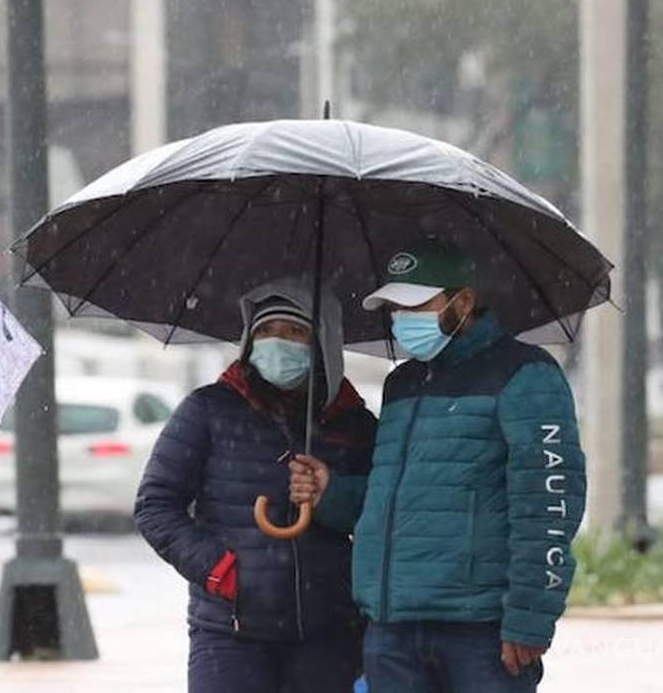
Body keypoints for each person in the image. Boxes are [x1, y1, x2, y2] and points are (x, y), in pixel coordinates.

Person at [289, 244, 587, 693]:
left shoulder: (525, 375)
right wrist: (330, 492)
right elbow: (397, 502)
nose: (401, 318)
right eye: (394, 307)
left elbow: (548, 508)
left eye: (415, 305)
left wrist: (529, 615)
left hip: (479, 634)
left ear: (462, 302)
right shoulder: (402, 384)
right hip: (393, 633)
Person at [135, 280, 377, 693]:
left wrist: (330, 493)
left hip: (330, 634)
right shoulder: (208, 409)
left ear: (321, 345)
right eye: (265, 332)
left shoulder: (355, 425)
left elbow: (382, 513)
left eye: (294, 333)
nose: (276, 344)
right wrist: (218, 569)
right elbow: (155, 506)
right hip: (231, 635)